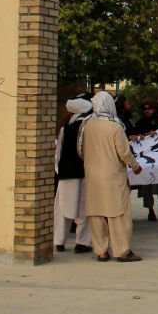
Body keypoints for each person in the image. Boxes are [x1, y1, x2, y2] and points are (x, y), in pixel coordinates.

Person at [79, 92, 142, 262]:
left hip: (92, 176)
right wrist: (135, 166)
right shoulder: (115, 126)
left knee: (96, 212)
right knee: (118, 214)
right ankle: (122, 251)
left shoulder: (86, 124)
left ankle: (101, 251)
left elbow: (81, 150)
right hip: (113, 176)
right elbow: (124, 152)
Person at [53, 95, 94, 254]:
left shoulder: (65, 129)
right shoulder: (89, 127)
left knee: (63, 208)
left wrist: (60, 171)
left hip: (66, 174)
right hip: (84, 173)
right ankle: (82, 242)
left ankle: (60, 241)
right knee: (84, 208)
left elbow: (59, 154)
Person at [133, 98, 158, 222]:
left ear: (155, 109)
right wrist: (145, 136)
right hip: (146, 161)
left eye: (149, 108)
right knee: (147, 187)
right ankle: (150, 211)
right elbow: (136, 140)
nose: (147, 111)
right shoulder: (139, 124)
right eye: (144, 109)